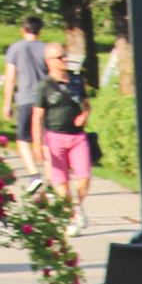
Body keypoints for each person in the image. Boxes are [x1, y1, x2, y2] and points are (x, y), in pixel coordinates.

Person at [34, 42, 93, 235]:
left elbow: (86, 105)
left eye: (65, 55)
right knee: (61, 182)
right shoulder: (44, 86)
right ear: (49, 61)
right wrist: (38, 144)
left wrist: (85, 115)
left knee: (83, 178)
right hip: (55, 137)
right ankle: (70, 217)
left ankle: (77, 206)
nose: (65, 60)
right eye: (60, 57)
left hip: (77, 137)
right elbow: (37, 116)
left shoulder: (76, 80)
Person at [5, 17, 50, 184]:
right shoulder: (47, 49)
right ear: (40, 30)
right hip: (45, 99)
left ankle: (34, 174)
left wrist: (7, 104)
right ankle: (50, 177)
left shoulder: (16, 48)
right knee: (45, 138)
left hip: (25, 98)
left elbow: (10, 78)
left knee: (22, 139)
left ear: (23, 30)